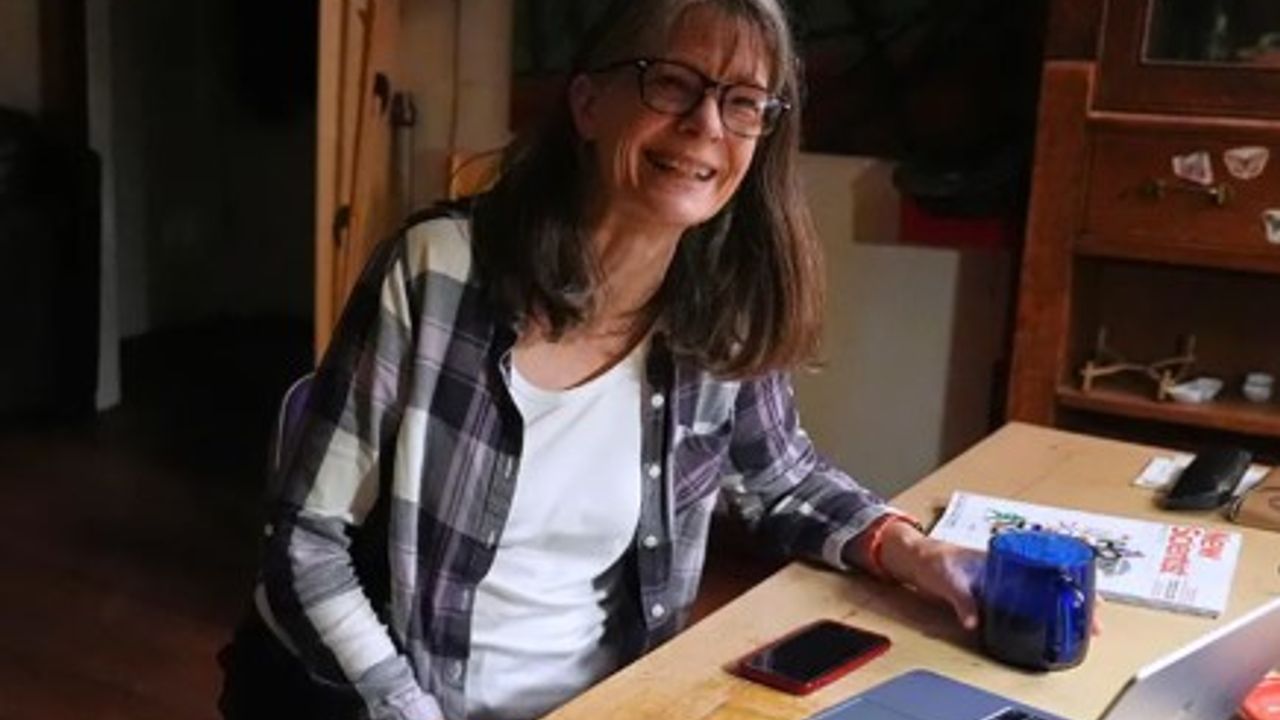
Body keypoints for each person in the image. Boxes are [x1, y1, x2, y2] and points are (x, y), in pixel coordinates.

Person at [218, 1, 986, 719]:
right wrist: (404, 708)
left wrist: (915, 553)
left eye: (743, 102)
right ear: (588, 105)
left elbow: (783, 480)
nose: (706, 125)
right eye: (673, 84)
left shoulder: (720, 310)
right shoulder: (436, 271)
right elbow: (305, 542)